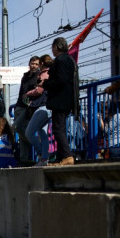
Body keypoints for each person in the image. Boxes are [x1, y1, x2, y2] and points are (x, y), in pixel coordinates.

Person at [44, 37, 77, 166]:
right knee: (59, 128)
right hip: (65, 99)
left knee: (58, 129)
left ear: (56, 47)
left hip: (60, 99)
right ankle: (60, 157)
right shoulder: (68, 59)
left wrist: (46, 84)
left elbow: (61, 80)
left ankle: (67, 156)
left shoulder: (61, 60)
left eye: (52, 47)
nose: (52, 50)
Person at [23, 54, 53, 166]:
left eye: (38, 63)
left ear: (41, 64)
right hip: (48, 106)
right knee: (42, 133)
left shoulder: (44, 74)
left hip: (43, 106)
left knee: (29, 132)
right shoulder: (50, 72)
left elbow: (39, 90)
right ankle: (44, 158)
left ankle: (42, 155)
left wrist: (27, 93)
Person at [13, 56, 41, 163]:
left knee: (17, 127)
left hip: (29, 108)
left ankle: (36, 144)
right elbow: (21, 92)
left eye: (36, 64)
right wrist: (17, 105)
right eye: (32, 63)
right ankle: (24, 158)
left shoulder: (38, 76)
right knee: (21, 133)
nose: (33, 66)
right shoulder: (25, 76)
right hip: (20, 106)